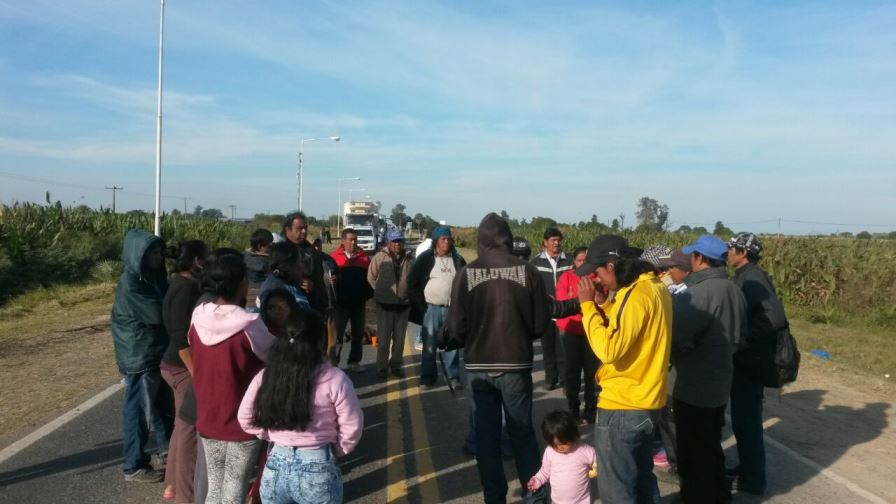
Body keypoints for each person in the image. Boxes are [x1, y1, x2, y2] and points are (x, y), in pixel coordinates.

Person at [446, 213, 552, 504]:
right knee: (522, 434)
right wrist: (521, 334)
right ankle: (534, 497)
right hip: (515, 364)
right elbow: (541, 323)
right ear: (506, 237)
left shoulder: (467, 273)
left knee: (486, 438)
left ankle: (495, 498)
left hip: (479, 365)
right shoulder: (527, 271)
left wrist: (471, 338)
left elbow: (455, 327)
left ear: (481, 240)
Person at [575, 234, 671, 503]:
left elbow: (609, 350)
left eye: (597, 272)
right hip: (647, 403)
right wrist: (604, 304)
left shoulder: (635, 294)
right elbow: (631, 331)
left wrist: (587, 307)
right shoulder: (654, 287)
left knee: (616, 488)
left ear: (612, 265)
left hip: (623, 405)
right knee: (641, 479)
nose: (598, 279)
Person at [238, 310, 364, 504]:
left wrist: (270, 435)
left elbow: (245, 418)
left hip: (275, 465)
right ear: (319, 342)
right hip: (318, 464)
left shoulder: (266, 376)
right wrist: (339, 448)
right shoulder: (335, 378)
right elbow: (352, 425)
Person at [189, 254, 277, 504]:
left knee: (215, 487)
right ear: (241, 283)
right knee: (235, 489)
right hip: (242, 420)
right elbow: (273, 354)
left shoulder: (198, 317)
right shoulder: (249, 324)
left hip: (208, 416)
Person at [670, 235, 746, 503]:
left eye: (693, 255)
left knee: (692, 451)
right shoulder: (733, 289)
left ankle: (697, 497)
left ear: (700, 259)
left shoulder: (698, 294)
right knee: (711, 446)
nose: (690, 260)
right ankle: (718, 493)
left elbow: (675, 339)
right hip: (719, 381)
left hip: (693, 385)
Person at [111, 229, 173, 483]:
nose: (158, 257)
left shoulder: (153, 277)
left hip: (153, 350)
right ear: (139, 255)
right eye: (152, 253)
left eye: (160, 252)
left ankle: (169, 450)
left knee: (162, 407)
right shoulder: (132, 284)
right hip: (139, 355)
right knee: (138, 411)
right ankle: (133, 465)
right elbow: (159, 314)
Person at [727, 232, 787, 495]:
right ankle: (747, 468)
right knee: (743, 420)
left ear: (743, 253)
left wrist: (743, 340)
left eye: (732, 248)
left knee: (747, 420)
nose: (728, 252)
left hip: (751, 362)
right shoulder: (745, 275)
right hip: (748, 359)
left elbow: (773, 319)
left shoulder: (752, 277)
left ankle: (753, 480)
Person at [160, 240, 208, 502]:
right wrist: (195, 371)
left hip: (176, 365)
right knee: (189, 431)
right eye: (206, 257)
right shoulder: (185, 288)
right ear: (197, 261)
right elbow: (180, 337)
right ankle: (185, 496)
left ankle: (172, 484)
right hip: (181, 366)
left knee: (182, 426)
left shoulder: (181, 284)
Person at [408, 226, 467, 388]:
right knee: (429, 346)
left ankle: (453, 378)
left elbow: (465, 284)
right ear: (435, 241)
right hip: (430, 309)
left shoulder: (458, 259)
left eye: (448, 239)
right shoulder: (425, 259)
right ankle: (428, 378)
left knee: (452, 345)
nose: (446, 242)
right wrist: (421, 306)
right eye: (443, 239)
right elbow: (412, 283)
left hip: (452, 310)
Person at [555, 246, 600, 425]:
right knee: (572, 370)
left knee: (591, 372)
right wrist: (583, 302)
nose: (583, 263)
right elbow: (562, 303)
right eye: (580, 260)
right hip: (571, 330)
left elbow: (600, 302)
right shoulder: (566, 277)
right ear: (574, 261)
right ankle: (573, 405)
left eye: (585, 260)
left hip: (591, 331)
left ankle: (590, 407)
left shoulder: (596, 279)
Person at [531, 227, 574, 390]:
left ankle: (564, 380)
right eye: (552, 240)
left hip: (564, 311)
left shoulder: (568, 260)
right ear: (545, 242)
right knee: (547, 347)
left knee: (563, 349)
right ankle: (551, 379)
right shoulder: (536, 262)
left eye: (558, 240)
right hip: (546, 312)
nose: (556, 243)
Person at [368, 228, 413, 379]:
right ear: (389, 242)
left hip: (403, 304)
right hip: (385, 304)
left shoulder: (410, 258)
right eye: (394, 241)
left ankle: (396, 366)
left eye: (400, 241)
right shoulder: (379, 257)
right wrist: (381, 291)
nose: (397, 244)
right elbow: (371, 277)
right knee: (384, 339)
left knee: (399, 340)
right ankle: (382, 367)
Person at [527, 410, 597, 504]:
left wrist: (596, 467)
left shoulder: (585, 450)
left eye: (563, 443)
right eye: (554, 445)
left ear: (573, 435)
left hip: (581, 501)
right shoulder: (550, 452)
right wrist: (537, 480)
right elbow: (545, 471)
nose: (559, 448)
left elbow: (601, 462)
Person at [330, 228, 373, 371]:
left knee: (358, 334)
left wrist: (367, 296)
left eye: (355, 239)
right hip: (340, 304)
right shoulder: (334, 257)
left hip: (359, 304)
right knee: (337, 335)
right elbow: (326, 278)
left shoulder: (364, 258)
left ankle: (354, 362)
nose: (354, 242)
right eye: (351, 239)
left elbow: (370, 280)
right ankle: (333, 365)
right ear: (343, 240)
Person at [282, 212, 327, 314]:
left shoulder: (311, 251)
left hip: (312, 306)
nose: (304, 231)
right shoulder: (279, 252)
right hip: (287, 308)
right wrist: (296, 282)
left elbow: (319, 278)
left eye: (305, 228)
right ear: (288, 229)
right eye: (299, 228)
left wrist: (313, 285)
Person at [257, 241, 312, 312]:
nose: (301, 266)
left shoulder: (290, 282)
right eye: (299, 261)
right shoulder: (274, 290)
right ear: (288, 265)